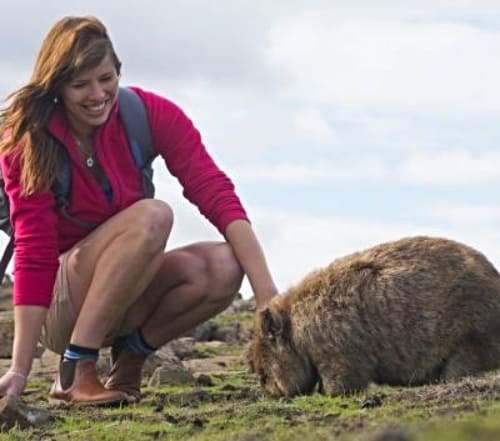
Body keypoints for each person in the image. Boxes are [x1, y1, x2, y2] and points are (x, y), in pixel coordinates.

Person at [0, 15, 278, 406]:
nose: (98, 95)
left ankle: (130, 358)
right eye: (81, 85)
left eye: (106, 78)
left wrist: (267, 297)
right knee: (153, 215)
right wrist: (20, 369)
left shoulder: (148, 115)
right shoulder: (27, 138)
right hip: (59, 303)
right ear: (57, 87)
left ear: (118, 72)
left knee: (225, 264)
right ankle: (75, 370)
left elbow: (216, 192)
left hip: (122, 291)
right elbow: (35, 249)